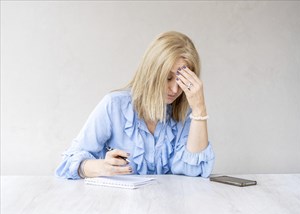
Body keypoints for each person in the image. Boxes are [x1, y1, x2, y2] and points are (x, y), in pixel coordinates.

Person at [55, 31, 215, 179]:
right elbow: (67, 163)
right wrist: (99, 167)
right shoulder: (114, 105)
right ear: (151, 72)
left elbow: (193, 172)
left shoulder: (187, 114)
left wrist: (199, 109)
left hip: (168, 206)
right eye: (167, 78)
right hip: (117, 205)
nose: (175, 89)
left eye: (182, 81)